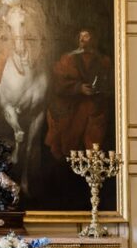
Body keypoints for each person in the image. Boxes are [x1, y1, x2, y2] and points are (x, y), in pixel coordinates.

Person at [44, 27, 112, 161]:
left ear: (93, 39)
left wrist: (97, 89)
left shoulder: (104, 61)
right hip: (72, 105)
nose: (82, 40)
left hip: (96, 106)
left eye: (86, 36)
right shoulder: (68, 59)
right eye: (80, 37)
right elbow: (57, 83)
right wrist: (78, 88)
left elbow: (110, 83)